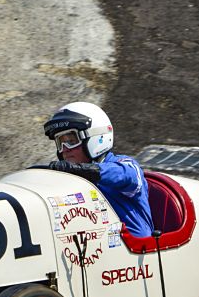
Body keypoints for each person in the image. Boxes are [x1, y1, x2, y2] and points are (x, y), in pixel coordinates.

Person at [43, 102, 154, 238]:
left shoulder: (123, 164)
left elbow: (127, 175)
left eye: (72, 140)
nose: (65, 149)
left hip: (136, 254)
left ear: (95, 138)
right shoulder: (70, 177)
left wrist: (84, 170)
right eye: (60, 142)